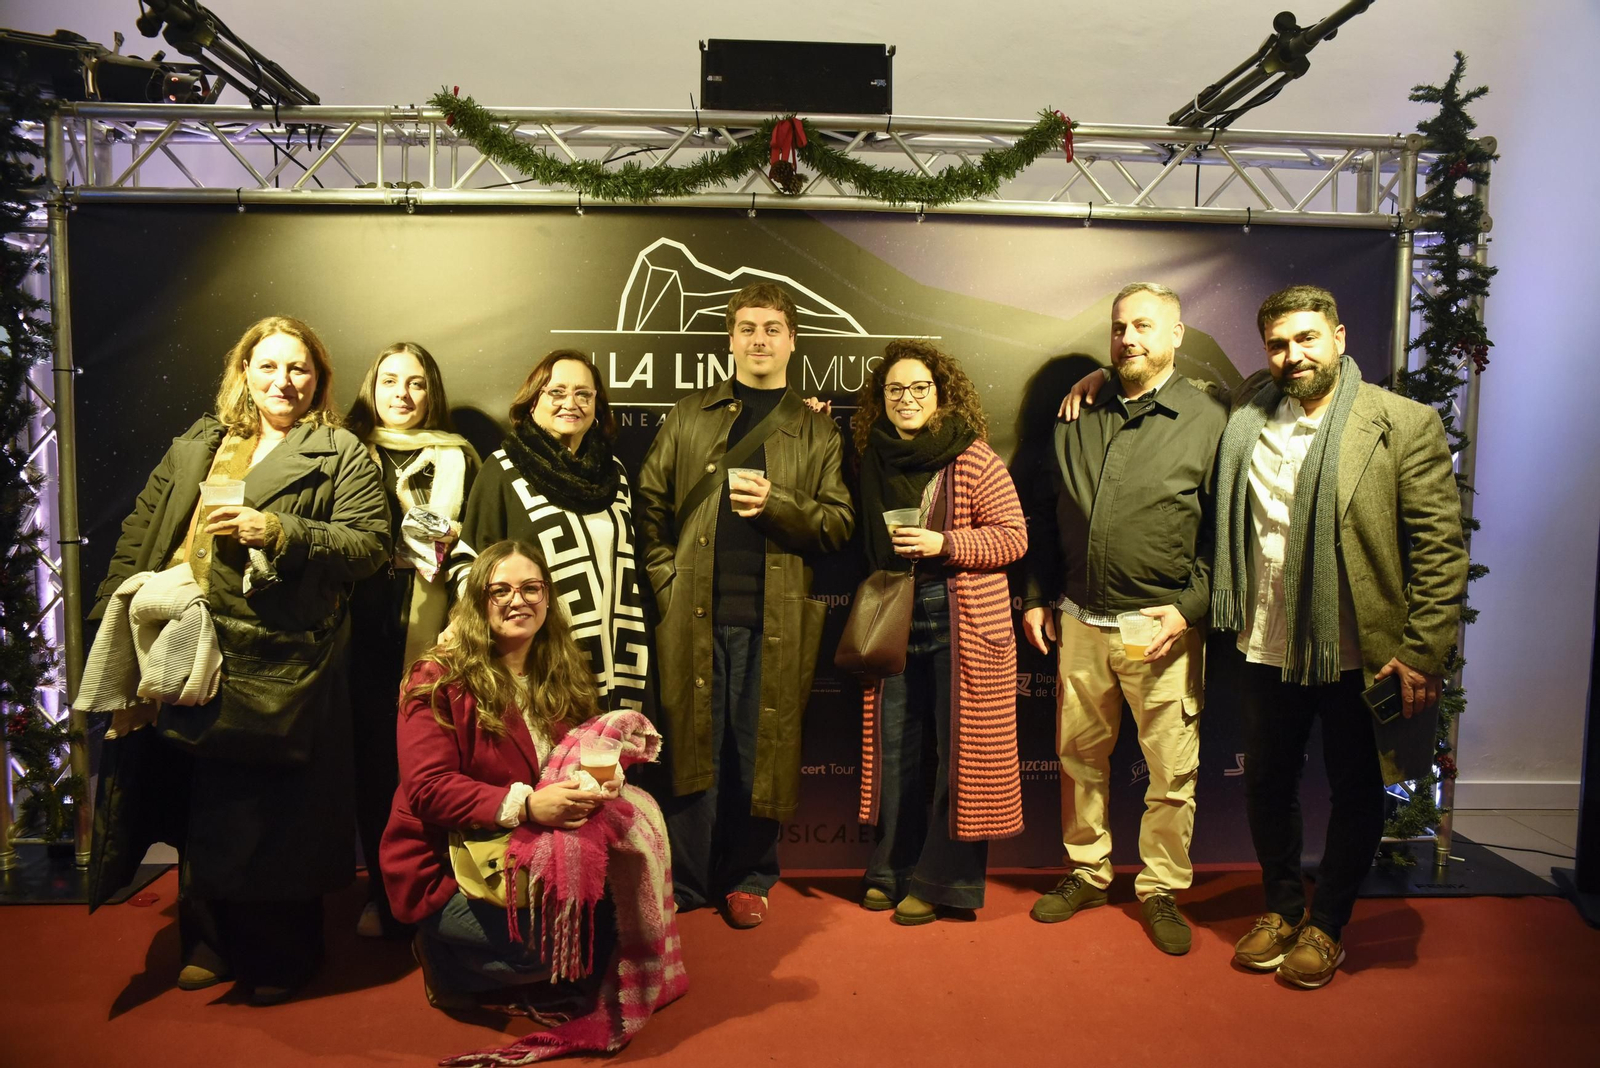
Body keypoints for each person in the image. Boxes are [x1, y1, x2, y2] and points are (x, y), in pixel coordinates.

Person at [86, 315, 390, 1004]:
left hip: (280, 657)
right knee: (198, 797)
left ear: (318, 379)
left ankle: (281, 956)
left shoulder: (340, 451)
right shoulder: (203, 442)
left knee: (272, 812)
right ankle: (208, 942)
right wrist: (116, 608)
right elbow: (143, 525)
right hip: (184, 645)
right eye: (269, 366)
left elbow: (369, 545)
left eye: (299, 368)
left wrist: (279, 529)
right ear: (244, 372)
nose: (284, 381)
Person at [1209, 285, 1466, 987]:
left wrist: (1422, 652)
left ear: (1339, 338)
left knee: (1356, 789)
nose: (1293, 355)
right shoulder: (1247, 412)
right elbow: (1177, 386)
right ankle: (1281, 908)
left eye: (1306, 339)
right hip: (1265, 642)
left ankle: (1328, 925)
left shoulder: (1401, 423)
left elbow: (1440, 549)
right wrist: (1096, 379)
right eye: (1278, 344)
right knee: (1267, 782)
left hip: (1359, 653)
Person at [381, 540, 684, 1058]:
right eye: (499, 590)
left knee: (614, 924)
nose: (516, 600)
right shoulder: (435, 676)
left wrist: (603, 778)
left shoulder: (560, 666)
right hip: (451, 864)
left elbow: (580, 750)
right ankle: (444, 958)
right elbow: (428, 788)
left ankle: (507, 958)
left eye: (530, 588)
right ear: (478, 600)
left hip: (535, 846)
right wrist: (526, 805)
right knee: (556, 954)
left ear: (547, 597)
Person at [636, 281, 854, 927]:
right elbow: (649, 503)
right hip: (692, 614)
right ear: (730, 340)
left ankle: (750, 878)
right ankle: (685, 881)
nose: (760, 339)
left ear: (792, 340)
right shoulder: (689, 414)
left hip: (774, 618)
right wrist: (667, 580)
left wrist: (779, 504)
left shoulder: (817, 430)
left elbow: (839, 523)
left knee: (762, 754)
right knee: (689, 749)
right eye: (748, 328)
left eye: (772, 328)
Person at [1021, 283, 1227, 956]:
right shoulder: (1076, 412)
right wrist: (1036, 594)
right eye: (1118, 327)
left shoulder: (1210, 420)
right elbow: (1044, 512)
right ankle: (1088, 870)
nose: (1128, 338)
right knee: (1080, 757)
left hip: (1160, 628)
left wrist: (1189, 609)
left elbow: (1225, 535)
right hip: (1080, 621)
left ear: (1176, 335)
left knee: (1171, 771)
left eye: (1143, 325)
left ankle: (1161, 887)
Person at [852, 341, 1027, 925]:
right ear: (881, 399)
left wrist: (945, 542)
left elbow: (1014, 537)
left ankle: (944, 883)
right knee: (894, 751)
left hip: (965, 618)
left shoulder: (972, 456)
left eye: (919, 387)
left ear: (939, 393)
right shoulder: (872, 458)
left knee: (964, 758)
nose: (907, 398)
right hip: (895, 615)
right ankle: (891, 870)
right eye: (895, 389)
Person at [343, 342, 480, 939]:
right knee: (373, 764)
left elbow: (478, 541)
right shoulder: (345, 449)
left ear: (432, 392)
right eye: (390, 380)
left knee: (431, 762)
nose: (402, 393)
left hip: (436, 617)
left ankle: (441, 890)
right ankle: (382, 891)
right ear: (371, 387)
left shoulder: (459, 456)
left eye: (416, 382)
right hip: (359, 621)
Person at [449, 349, 647, 712]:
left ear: (597, 406)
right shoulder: (504, 469)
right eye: (556, 392)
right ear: (533, 401)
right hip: (540, 662)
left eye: (583, 394)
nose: (571, 403)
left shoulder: (614, 473)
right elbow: (469, 563)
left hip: (618, 662)